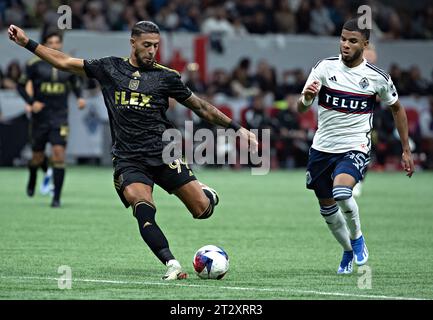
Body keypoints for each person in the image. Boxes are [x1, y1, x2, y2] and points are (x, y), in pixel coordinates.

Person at [8, 21, 258, 280]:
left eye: (156, 46)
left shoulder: (166, 76)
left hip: (164, 154)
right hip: (129, 159)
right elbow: (64, 62)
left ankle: (206, 193)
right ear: (133, 43)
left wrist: (237, 128)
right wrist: (28, 43)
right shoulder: (110, 68)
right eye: (147, 45)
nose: (152, 51)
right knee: (143, 207)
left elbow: (201, 107)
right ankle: (171, 263)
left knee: (202, 211)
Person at [297, 18, 414, 274]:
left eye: (352, 41)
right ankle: (348, 250)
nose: (345, 45)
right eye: (342, 39)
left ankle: (358, 237)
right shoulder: (324, 68)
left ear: (365, 44)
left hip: (355, 146)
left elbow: (397, 109)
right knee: (327, 208)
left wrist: (406, 149)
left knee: (342, 192)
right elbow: (300, 107)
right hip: (322, 148)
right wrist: (306, 98)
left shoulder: (376, 78)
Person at [16, 30, 86, 207]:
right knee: (37, 158)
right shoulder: (34, 64)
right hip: (40, 118)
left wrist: (79, 97)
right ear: (45, 44)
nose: (54, 46)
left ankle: (56, 198)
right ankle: (33, 174)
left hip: (60, 117)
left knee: (58, 155)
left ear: (61, 44)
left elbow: (75, 84)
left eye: (57, 42)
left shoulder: (68, 63)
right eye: (51, 42)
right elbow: (21, 86)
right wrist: (32, 102)